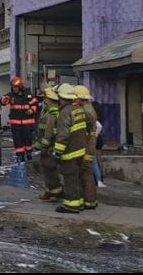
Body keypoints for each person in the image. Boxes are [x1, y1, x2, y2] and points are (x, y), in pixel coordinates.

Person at [54, 84, 88, 214]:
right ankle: (79, 202)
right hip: (80, 150)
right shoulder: (78, 109)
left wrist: (58, 151)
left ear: (61, 98)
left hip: (70, 152)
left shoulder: (65, 112)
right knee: (77, 177)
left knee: (69, 178)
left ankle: (71, 205)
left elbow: (63, 134)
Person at [34, 87, 63, 202]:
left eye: (46, 98)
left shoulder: (52, 112)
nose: (44, 100)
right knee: (46, 169)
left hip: (50, 146)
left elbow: (49, 132)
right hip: (47, 144)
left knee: (49, 168)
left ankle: (56, 192)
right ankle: (50, 190)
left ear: (50, 99)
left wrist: (44, 146)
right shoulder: (47, 110)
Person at [2, 77, 38, 162]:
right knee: (17, 140)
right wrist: (4, 99)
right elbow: (3, 102)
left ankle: (28, 153)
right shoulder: (10, 95)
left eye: (16, 87)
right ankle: (20, 155)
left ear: (20, 87)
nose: (14, 89)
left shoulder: (28, 95)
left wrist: (32, 110)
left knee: (28, 139)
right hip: (15, 123)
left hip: (27, 122)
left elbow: (35, 104)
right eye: (13, 87)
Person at [75, 85, 98, 209]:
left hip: (86, 146)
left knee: (85, 174)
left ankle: (88, 200)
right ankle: (90, 200)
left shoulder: (86, 112)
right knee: (87, 173)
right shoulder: (88, 108)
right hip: (89, 145)